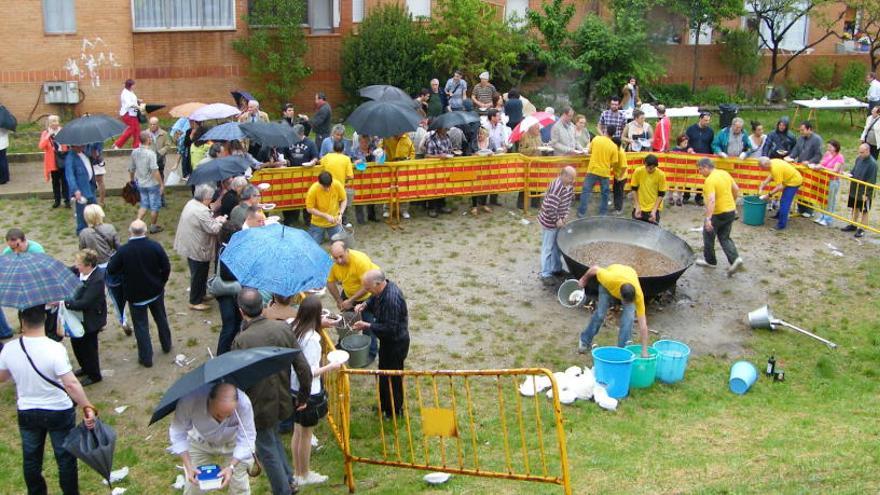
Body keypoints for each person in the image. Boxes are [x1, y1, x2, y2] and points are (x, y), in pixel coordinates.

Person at [0, 305, 97, 495]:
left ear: (21, 322)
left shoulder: (10, 349)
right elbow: (71, 384)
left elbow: (2, 377)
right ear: (44, 319)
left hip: (28, 411)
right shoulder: (55, 348)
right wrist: (87, 406)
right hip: (58, 410)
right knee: (65, 459)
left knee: (31, 459)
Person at [231, 287, 313, 495]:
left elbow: (236, 377)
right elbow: (303, 367)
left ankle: (283, 490)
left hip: (258, 405)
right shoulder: (283, 329)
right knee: (273, 439)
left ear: (241, 311)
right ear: (262, 306)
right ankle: (289, 481)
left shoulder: (242, 341)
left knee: (267, 450)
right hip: (283, 398)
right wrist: (303, 395)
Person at [288, 296, 344, 487]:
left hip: (293, 388)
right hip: (307, 392)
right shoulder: (311, 339)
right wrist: (332, 366)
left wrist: (321, 324)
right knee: (306, 435)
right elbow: (310, 371)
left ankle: (297, 471)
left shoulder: (292, 326)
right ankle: (304, 473)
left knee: (297, 431)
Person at [169, 382, 256, 495]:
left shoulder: (244, 403)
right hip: (199, 441)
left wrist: (231, 466)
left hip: (233, 443)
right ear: (209, 400)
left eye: (228, 416)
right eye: (218, 415)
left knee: (239, 486)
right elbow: (177, 433)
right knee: (194, 485)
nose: (223, 419)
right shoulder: (189, 400)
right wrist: (188, 465)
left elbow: (247, 437)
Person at [106, 220, 172, 368]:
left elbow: (111, 270)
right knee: (161, 318)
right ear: (145, 230)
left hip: (135, 295)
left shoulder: (123, 251)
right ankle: (167, 345)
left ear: (130, 231)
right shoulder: (155, 246)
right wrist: (162, 282)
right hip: (155, 291)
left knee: (141, 326)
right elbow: (166, 266)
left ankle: (146, 358)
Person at [353, 270, 409, 418]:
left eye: (368, 288)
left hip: (396, 343)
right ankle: (384, 404)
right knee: (383, 373)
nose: (367, 290)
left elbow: (391, 328)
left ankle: (394, 411)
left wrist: (368, 326)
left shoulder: (391, 299)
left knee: (393, 377)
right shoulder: (380, 290)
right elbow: (373, 298)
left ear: (378, 284)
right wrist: (364, 304)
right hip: (386, 342)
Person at [577, 265, 650, 357]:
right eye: (625, 301)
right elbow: (594, 269)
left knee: (629, 319)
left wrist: (644, 351)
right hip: (609, 284)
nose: (626, 303)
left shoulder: (638, 296)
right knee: (600, 314)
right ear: (620, 295)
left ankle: (622, 351)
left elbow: (643, 326)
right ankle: (585, 341)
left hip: (629, 274)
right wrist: (584, 279)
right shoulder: (609, 279)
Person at [175, 184, 227, 312]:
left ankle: (201, 294)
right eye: (210, 197)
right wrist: (221, 221)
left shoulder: (192, 203)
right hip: (197, 246)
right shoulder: (201, 210)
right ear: (205, 198)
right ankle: (194, 301)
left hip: (190, 243)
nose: (211, 199)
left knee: (200, 272)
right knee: (198, 273)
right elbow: (213, 229)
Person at [327, 240, 380, 358]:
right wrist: (339, 301)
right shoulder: (333, 264)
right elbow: (330, 283)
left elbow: (368, 286)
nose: (339, 260)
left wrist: (350, 301)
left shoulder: (360, 260)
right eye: (335, 258)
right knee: (345, 321)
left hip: (368, 294)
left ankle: (371, 352)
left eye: (341, 256)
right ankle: (343, 343)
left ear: (347, 251)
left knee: (367, 324)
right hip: (348, 292)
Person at [63, 249, 106, 386]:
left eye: (79, 263)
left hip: (90, 319)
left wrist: (65, 303)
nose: (76, 266)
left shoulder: (97, 280)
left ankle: (94, 375)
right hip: (78, 318)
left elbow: (85, 303)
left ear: (88, 265)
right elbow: (66, 271)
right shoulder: (79, 272)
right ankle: (85, 368)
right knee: (77, 344)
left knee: (89, 348)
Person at [695, 158, 743, 276]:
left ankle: (710, 261)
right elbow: (736, 189)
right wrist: (733, 203)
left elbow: (711, 200)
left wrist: (708, 219)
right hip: (730, 211)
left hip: (718, 213)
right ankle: (735, 260)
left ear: (706, 167)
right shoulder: (724, 173)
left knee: (708, 235)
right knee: (724, 237)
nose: (700, 172)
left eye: (700, 169)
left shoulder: (710, 180)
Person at [1, 229, 46, 339]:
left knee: (37, 314)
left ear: (24, 240)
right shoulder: (7, 252)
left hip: (35, 287)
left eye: (18, 246)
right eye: (12, 248)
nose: (15, 251)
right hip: (21, 288)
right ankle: (25, 331)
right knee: (22, 313)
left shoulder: (36, 250)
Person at [538, 166, 576, 286]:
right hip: (549, 222)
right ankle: (545, 274)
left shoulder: (569, 186)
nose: (573, 181)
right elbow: (550, 207)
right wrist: (557, 219)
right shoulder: (557, 187)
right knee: (548, 248)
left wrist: (565, 216)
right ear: (563, 176)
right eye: (571, 178)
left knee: (557, 246)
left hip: (559, 219)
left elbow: (568, 202)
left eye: (574, 178)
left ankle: (556, 269)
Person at [578, 125, 619, 218]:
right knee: (605, 194)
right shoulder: (614, 146)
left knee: (586, 191)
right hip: (605, 172)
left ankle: (582, 212)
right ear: (613, 134)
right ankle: (602, 213)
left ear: (605, 130)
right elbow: (614, 163)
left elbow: (589, 151)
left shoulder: (596, 139)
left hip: (592, 170)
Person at [785, 120, 823, 218]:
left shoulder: (817, 139)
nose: (801, 132)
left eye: (802, 130)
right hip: (800, 167)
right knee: (800, 187)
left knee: (808, 188)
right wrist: (791, 157)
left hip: (810, 168)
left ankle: (809, 209)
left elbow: (818, 155)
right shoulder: (800, 139)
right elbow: (796, 150)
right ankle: (801, 208)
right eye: (800, 130)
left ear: (809, 129)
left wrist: (810, 162)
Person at [129, 130, 165, 233]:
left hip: (141, 183)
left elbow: (131, 168)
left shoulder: (134, 152)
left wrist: (132, 181)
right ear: (148, 140)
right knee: (155, 206)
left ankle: (136, 223)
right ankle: (153, 227)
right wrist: (161, 184)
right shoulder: (151, 154)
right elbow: (155, 171)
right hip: (152, 184)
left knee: (144, 204)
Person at [215, 221, 242, 355]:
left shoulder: (226, 248)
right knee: (229, 325)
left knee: (237, 322)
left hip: (231, 293)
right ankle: (221, 355)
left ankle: (231, 349)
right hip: (226, 293)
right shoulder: (225, 251)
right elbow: (226, 275)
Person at [757, 157, 803, 230]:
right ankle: (779, 216)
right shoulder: (771, 162)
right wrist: (764, 183)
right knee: (783, 201)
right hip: (789, 179)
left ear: (766, 164)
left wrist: (768, 195)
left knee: (785, 202)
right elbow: (771, 174)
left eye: (762, 167)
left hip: (794, 181)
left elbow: (779, 187)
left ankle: (781, 225)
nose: (762, 169)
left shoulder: (775, 168)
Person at [842, 143, 877, 238]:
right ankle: (853, 224)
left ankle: (862, 229)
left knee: (864, 210)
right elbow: (854, 171)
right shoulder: (858, 159)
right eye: (859, 152)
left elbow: (872, 180)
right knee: (854, 207)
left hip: (864, 191)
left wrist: (867, 194)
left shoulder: (872, 164)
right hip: (855, 188)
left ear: (867, 151)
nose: (860, 154)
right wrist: (848, 174)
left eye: (862, 152)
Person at [320, 139, 354, 227]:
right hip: (340, 186)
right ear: (343, 149)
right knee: (343, 202)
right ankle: (343, 221)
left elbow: (321, 163)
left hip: (327, 184)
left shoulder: (327, 156)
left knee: (329, 204)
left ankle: (328, 221)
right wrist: (344, 178)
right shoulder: (346, 159)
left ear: (333, 148)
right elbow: (350, 176)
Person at [306, 171, 347, 244]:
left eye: (329, 186)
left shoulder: (337, 184)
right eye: (324, 187)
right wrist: (325, 215)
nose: (327, 189)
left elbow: (344, 199)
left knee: (340, 245)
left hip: (334, 221)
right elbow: (309, 209)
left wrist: (340, 214)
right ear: (319, 183)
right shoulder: (313, 190)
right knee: (313, 245)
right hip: (317, 223)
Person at [64, 145, 97, 234]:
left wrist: (94, 157)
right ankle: (82, 232)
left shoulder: (84, 153)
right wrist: (75, 189)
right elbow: (70, 176)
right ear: (74, 146)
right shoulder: (70, 158)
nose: (83, 146)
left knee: (94, 210)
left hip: (90, 186)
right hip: (81, 190)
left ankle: (94, 228)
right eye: (81, 145)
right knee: (82, 213)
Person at [39, 115, 70, 208]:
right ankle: (57, 200)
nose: (54, 123)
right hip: (52, 161)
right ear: (48, 123)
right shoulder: (45, 133)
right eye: (52, 121)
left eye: (56, 121)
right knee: (55, 181)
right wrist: (48, 135)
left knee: (65, 181)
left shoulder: (63, 131)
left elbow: (69, 144)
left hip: (63, 158)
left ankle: (67, 200)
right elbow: (41, 146)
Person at [812, 140, 845, 227]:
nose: (829, 148)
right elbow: (822, 162)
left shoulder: (839, 157)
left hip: (833, 180)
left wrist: (822, 168)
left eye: (830, 147)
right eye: (828, 147)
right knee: (823, 199)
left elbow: (835, 170)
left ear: (835, 147)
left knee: (830, 200)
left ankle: (828, 218)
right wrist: (818, 166)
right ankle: (822, 215)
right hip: (824, 180)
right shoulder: (827, 154)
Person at [382, 133, 415, 219]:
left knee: (404, 188)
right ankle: (388, 209)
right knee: (389, 188)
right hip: (390, 166)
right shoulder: (387, 138)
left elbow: (412, 152)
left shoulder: (407, 140)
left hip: (403, 168)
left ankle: (404, 210)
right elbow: (381, 148)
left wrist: (409, 160)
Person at [684, 111, 714, 206]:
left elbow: (711, 144)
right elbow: (685, 141)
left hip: (704, 157)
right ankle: (686, 195)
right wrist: (689, 148)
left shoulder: (710, 131)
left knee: (702, 178)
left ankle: (699, 197)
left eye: (708, 121)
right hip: (691, 157)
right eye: (705, 120)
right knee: (689, 176)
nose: (707, 122)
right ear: (700, 119)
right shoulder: (691, 129)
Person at [348, 134, 379, 223]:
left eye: (367, 142)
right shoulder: (354, 151)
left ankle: (372, 216)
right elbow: (351, 162)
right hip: (359, 178)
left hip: (371, 177)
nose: (365, 144)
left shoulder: (373, 149)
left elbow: (379, 160)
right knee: (359, 198)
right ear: (359, 141)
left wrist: (374, 157)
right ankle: (360, 219)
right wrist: (357, 161)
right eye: (362, 142)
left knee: (372, 195)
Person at [630, 154, 667, 224]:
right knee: (635, 230)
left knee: (652, 232)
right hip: (639, 207)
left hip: (653, 208)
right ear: (645, 164)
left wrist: (654, 210)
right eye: (648, 167)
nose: (649, 169)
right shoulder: (638, 171)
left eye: (652, 168)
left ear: (655, 166)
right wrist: (637, 206)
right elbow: (634, 189)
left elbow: (661, 194)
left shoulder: (661, 175)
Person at [113, 78, 142, 149]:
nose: (134, 86)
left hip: (133, 113)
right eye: (133, 85)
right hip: (128, 114)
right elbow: (129, 104)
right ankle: (117, 144)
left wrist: (138, 100)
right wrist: (138, 107)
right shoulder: (125, 93)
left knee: (137, 129)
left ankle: (137, 145)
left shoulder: (130, 91)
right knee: (131, 129)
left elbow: (132, 100)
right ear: (130, 85)